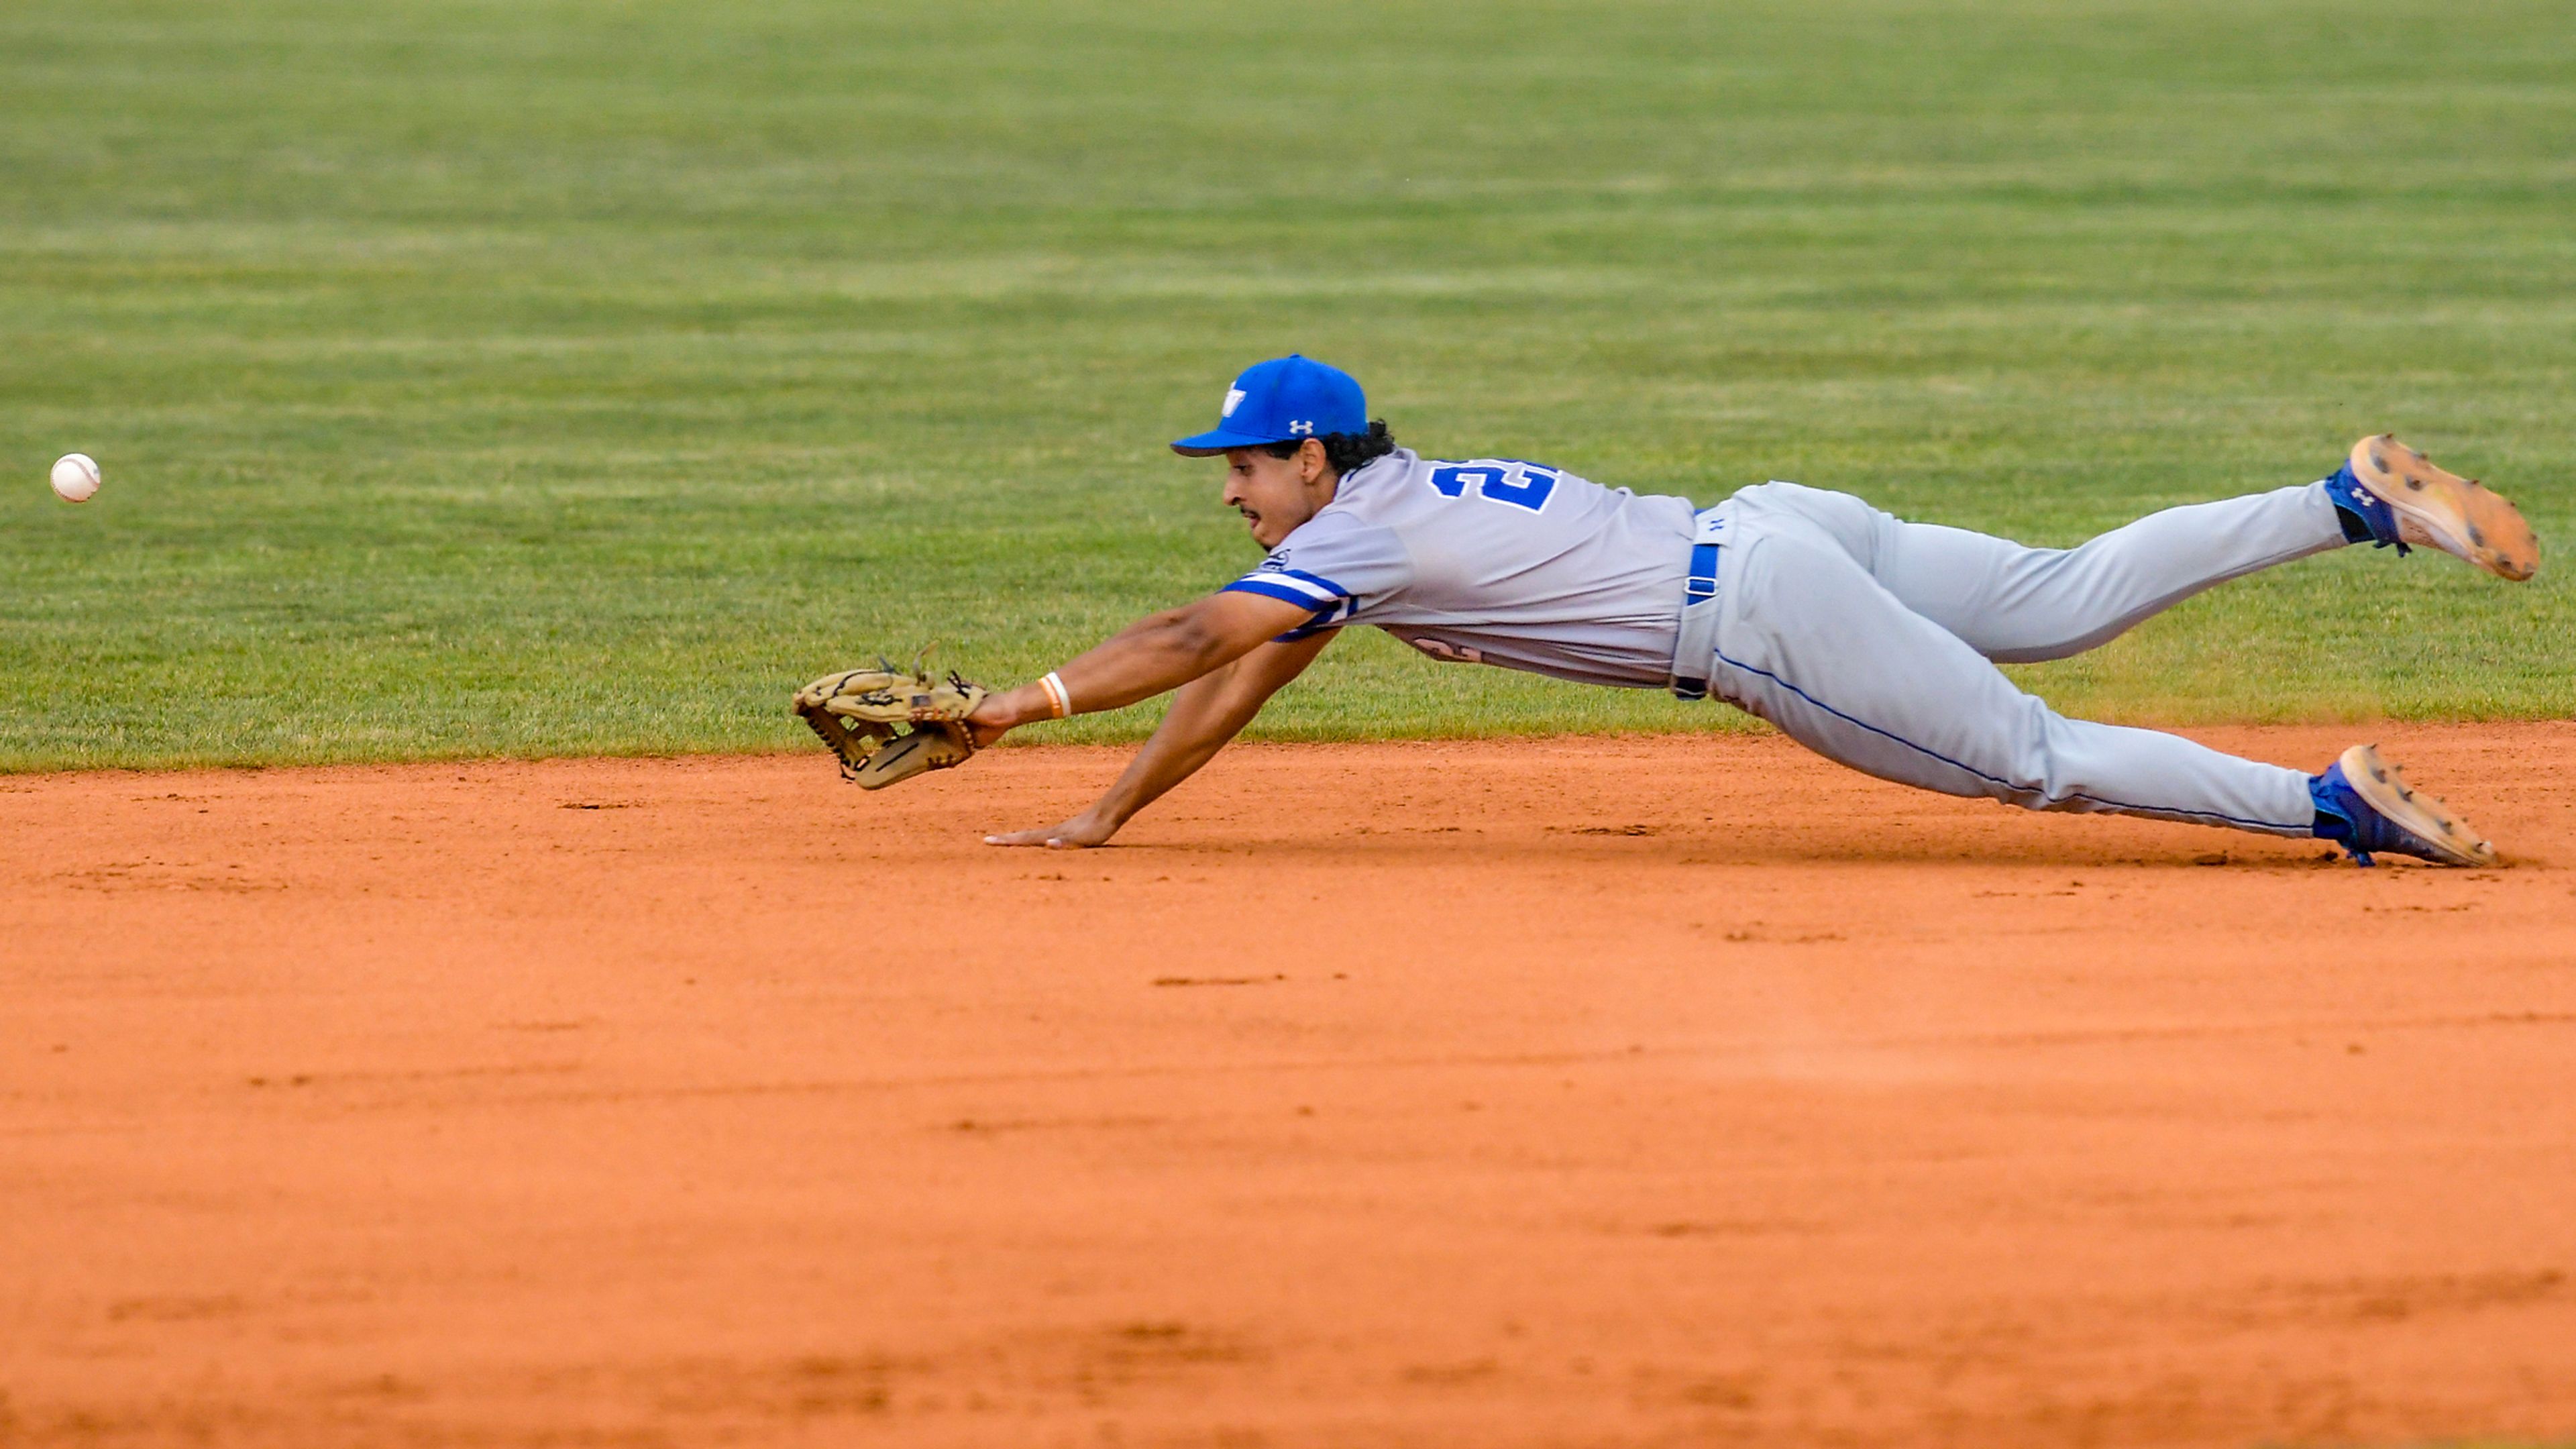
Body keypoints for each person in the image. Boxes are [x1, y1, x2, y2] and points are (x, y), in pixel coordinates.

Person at [964, 355, 2536, 865]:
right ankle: (2340, 504)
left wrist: (1010, 709)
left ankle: (2330, 803)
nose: (1229, 494)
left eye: (1239, 470)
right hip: (1777, 525)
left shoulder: (1350, 543)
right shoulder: (1385, 511)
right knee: (2057, 597)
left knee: (2033, 752)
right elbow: (1242, 673)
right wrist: (1107, 811)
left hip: (1766, 622)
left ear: (1307, 459)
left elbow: (1192, 638)